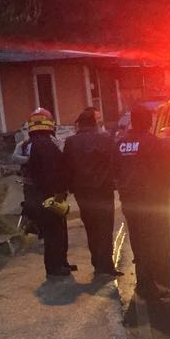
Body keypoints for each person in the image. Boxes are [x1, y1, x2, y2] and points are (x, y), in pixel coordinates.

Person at [115, 105, 170, 299]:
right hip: (150, 202)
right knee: (152, 243)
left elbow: (115, 170)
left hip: (129, 202)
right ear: (148, 122)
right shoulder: (151, 142)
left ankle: (143, 283)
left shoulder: (121, 143)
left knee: (138, 242)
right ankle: (149, 285)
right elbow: (163, 171)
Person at [64, 107, 121, 277]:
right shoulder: (105, 138)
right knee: (105, 227)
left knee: (91, 227)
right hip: (103, 190)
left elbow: (67, 166)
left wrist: (70, 187)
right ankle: (107, 265)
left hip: (83, 192)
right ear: (94, 122)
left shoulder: (71, 142)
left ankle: (97, 262)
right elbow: (114, 162)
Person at [23, 108, 73, 277]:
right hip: (50, 197)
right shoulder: (46, 145)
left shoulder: (30, 145)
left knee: (53, 232)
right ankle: (55, 267)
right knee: (55, 232)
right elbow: (54, 172)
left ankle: (60, 262)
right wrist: (60, 192)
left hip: (37, 196)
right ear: (50, 124)